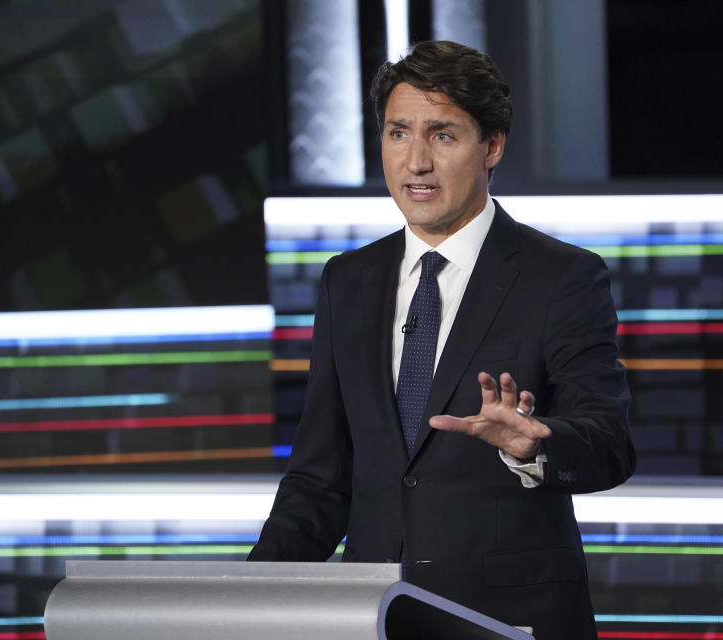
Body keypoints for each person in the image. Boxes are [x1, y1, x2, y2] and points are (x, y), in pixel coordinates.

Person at [249, 40, 635, 639]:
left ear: (492, 146)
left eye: (443, 136)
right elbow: (320, 479)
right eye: (398, 133)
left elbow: (610, 442)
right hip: (371, 616)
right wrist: (245, 600)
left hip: (509, 620)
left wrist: (532, 446)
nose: (415, 163)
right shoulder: (346, 281)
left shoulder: (562, 276)